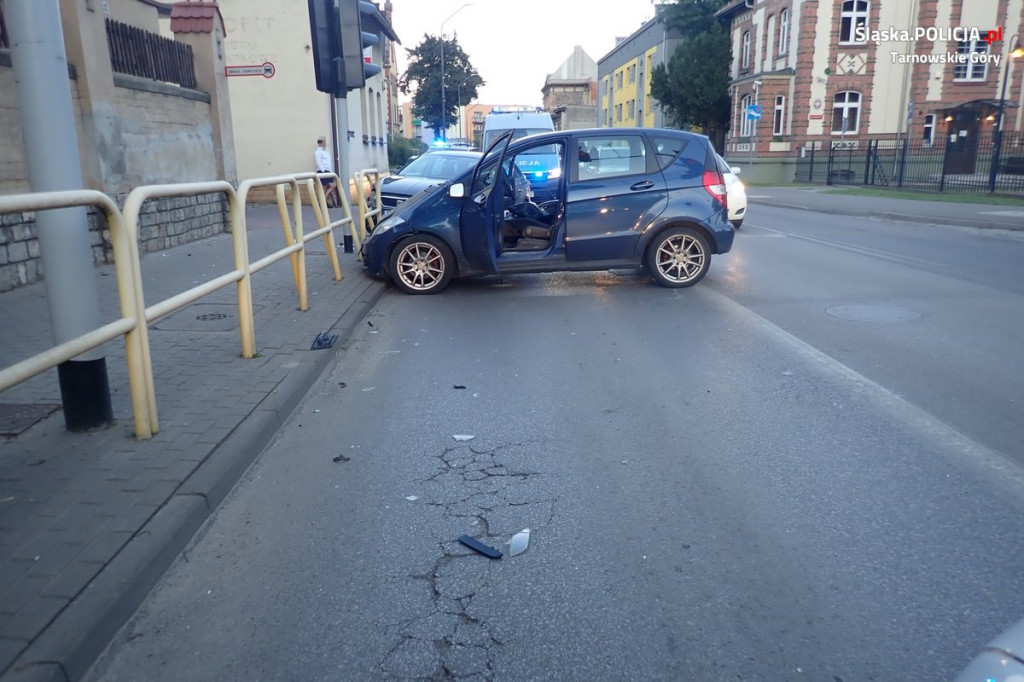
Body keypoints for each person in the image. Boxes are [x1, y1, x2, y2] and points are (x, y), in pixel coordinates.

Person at [315, 137, 338, 207]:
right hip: (323, 171)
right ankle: (322, 202)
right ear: (320, 143)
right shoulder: (318, 152)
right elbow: (318, 161)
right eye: (324, 142)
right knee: (324, 187)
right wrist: (323, 170)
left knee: (332, 185)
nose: (325, 143)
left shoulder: (325, 152)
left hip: (328, 171)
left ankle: (323, 200)